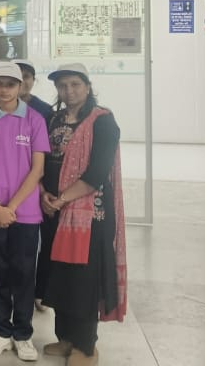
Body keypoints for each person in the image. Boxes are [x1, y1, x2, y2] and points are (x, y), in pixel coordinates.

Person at [38, 63, 126, 366]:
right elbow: (40, 161)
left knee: (83, 281)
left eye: (75, 84)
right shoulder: (53, 119)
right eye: (62, 86)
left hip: (89, 216)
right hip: (53, 211)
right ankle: (66, 338)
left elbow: (97, 172)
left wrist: (61, 200)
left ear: (87, 87)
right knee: (60, 277)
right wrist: (44, 195)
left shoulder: (102, 121)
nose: (69, 91)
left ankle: (86, 347)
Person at [0, 61, 49, 361]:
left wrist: (11, 208)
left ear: (20, 86)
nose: (4, 90)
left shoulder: (34, 120)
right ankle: (2, 330)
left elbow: (37, 169)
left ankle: (23, 333)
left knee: (24, 274)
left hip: (24, 213)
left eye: (10, 84)